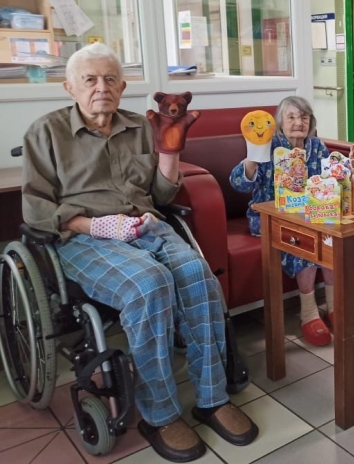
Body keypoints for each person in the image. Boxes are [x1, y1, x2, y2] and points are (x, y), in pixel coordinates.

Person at [21, 43, 257, 463]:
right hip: (86, 238)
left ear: (122, 86)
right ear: (70, 87)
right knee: (150, 284)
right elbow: (36, 209)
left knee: (198, 277)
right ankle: (160, 414)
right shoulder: (45, 133)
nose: (101, 87)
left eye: (110, 79)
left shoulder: (139, 125)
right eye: (90, 79)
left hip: (147, 226)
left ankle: (212, 397)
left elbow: (162, 195)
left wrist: (171, 153)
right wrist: (91, 225)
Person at [230, 96, 335, 347]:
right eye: (292, 117)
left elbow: (329, 180)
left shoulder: (317, 146)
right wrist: (252, 156)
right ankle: (309, 313)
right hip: (270, 217)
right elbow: (238, 184)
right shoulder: (267, 145)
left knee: (332, 240)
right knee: (305, 242)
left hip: (311, 213)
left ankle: (335, 307)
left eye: (304, 117)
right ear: (280, 122)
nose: (299, 122)